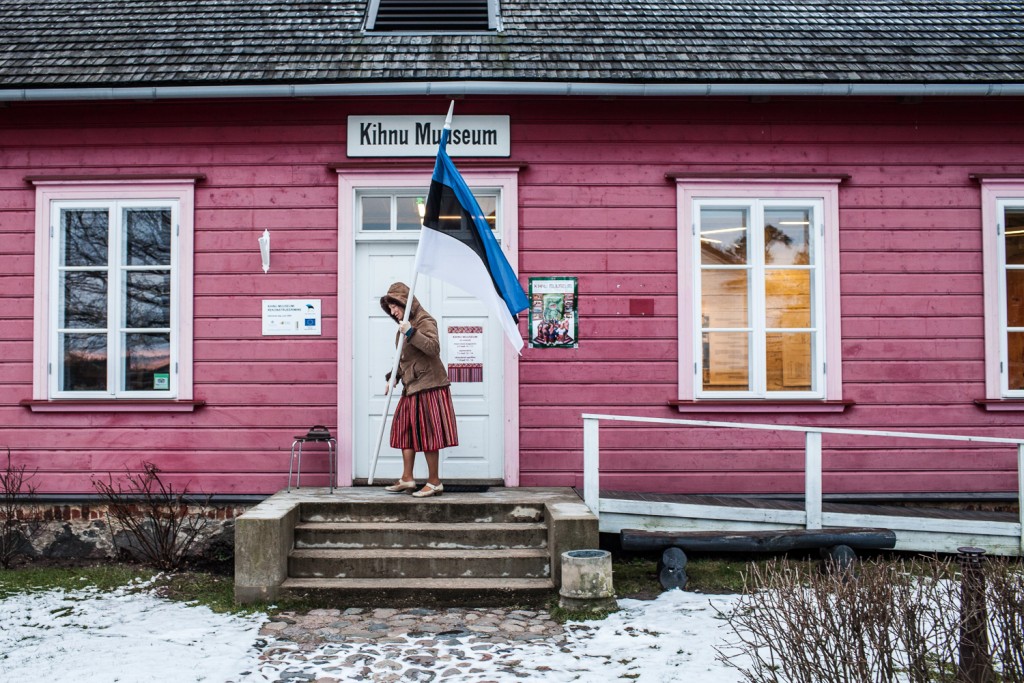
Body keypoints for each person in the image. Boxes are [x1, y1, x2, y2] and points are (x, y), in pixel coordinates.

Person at [379, 282, 458, 498]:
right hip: (411, 386)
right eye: (390, 308)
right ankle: (407, 478)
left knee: (429, 433)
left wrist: (412, 332)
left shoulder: (424, 321)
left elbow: (433, 348)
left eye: (395, 306)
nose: (393, 312)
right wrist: (393, 377)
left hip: (430, 386)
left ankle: (434, 482)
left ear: (405, 302)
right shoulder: (405, 325)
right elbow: (404, 359)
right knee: (405, 430)